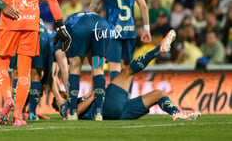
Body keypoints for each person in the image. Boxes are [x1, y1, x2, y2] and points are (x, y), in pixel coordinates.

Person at [52, 30, 201, 121]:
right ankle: (158, 50)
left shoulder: (76, 99)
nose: (66, 92)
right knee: (128, 71)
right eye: (63, 94)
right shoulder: (65, 108)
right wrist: (94, 95)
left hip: (120, 112)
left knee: (158, 94)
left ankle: (176, 113)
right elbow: (74, 112)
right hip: (106, 108)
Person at [90, 0, 151, 82]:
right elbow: (144, 6)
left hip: (113, 31)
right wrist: (146, 29)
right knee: (128, 68)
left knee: (114, 66)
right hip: (130, 30)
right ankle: (126, 97)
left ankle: (115, 99)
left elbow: (93, 7)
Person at [62, 11, 108, 121]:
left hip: (79, 28)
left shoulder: (68, 23)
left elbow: (65, 57)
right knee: (98, 68)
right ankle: (98, 113)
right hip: (102, 25)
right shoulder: (94, 17)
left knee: (75, 66)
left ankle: (73, 112)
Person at [9, 22, 54, 120]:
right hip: (41, 36)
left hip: (21, 33)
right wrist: (45, 81)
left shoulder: (20, 18)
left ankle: (18, 112)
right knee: (35, 74)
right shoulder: (47, 30)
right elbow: (50, 60)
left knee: (17, 73)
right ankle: (32, 113)